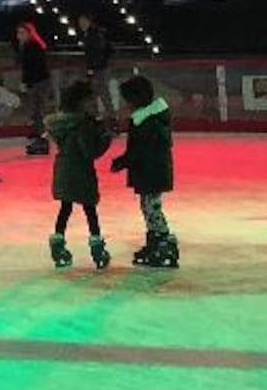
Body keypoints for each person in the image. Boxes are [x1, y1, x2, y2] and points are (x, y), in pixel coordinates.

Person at [110, 72, 178, 267]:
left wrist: (122, 162)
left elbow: (140, 150)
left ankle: (163, 244)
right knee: (149, 207)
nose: (126, 105)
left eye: (128, 100)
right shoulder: (150, 118)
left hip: (151, 172)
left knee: (152, 209)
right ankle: (156, 242)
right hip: (152, 171)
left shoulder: (146, 122)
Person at [46, 78, 112, 268]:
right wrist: (105, 137)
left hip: (63, 169)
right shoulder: (82, 125)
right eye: (90, 101)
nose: (94, 104)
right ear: (81, 103)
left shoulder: (63, 124)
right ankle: (96, 245)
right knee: (90, 209)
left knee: (65, 208)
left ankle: (58, 243)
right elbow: (91, 151)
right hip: (80, 171)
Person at [14, 16, 53, 156]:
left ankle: (42, 141)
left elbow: (32, 68)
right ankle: (39, 138)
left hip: (38, 83)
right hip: (37, 82)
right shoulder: (29, 46)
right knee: (36, 112)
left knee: (38, 112)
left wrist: (26, 83)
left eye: (22, 33)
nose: (19, 36)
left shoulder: (33, 46)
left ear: (29, 33)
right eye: (18, 33)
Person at [76, 11, 114, 114]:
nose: (81, 24)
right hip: (99, 67)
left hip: (99, 68)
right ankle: (104, 115)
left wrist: (91, 68)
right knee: (98, 93)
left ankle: (108, 115)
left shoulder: (93, 34)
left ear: (89, 21)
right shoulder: (92, 33)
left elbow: (96, 53)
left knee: (101, 93)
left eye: (83, 21)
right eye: (80, 22)